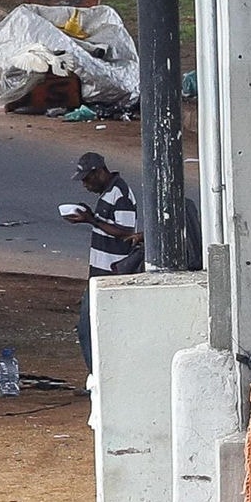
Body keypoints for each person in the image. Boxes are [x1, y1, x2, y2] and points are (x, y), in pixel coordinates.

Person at [65, 151, 142, 379]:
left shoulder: (120, 194)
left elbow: (126, 232)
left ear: (100, 172)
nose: (86, 186)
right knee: (89, 328)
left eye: (88, 179)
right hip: (99, 273)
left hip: (111, 273)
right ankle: (97, 375)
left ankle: (98, 378)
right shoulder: (108, 193)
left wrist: (92, 220)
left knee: (88, 329)